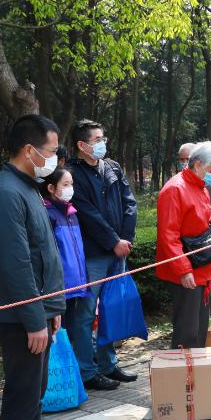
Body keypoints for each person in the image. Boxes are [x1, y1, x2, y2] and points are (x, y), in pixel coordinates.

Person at [0, 115, 73, 420]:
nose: (54, 159)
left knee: (35, 394)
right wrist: (34, 319)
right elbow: (17, 266)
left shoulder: (28, 188)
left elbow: (41, 253)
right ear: (29, 150)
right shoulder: (5, 193)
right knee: (22, 396)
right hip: (21, 318)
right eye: (51, 151)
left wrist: (52, 309)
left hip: (39, 312)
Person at [67, 119, 138, 390]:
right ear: (82, 145)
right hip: (93, 254)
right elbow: (87, 213)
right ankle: (86, 370)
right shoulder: (72, 174)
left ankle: (109, 363)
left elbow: (129, 202)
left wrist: (126, 239)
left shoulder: (113, 167)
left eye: (102, 137)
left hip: (119, 251)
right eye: (96, 140)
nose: (102, 143)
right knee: (85, 314)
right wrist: (112, 241)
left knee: (111, 308)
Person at [156, 142, 211, 348]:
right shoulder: (174, 189)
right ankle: (182, 375)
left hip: (202, 267)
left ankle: (196, 373)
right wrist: (183, 270)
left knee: (199, 328)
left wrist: (210, 224)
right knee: (187, 331)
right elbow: (168, 235)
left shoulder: (200, 186)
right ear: (198, 164)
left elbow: (194, 219)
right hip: (186, 271)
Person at [42, 168, 93, 356]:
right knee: (58, 336)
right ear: (51, 188)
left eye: (71, 184)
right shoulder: (48, 214)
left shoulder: (71, 212)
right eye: (65, 184)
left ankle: (68, 376)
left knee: (69, 334)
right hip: (60, 287)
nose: (70, 188)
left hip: (75, 286)